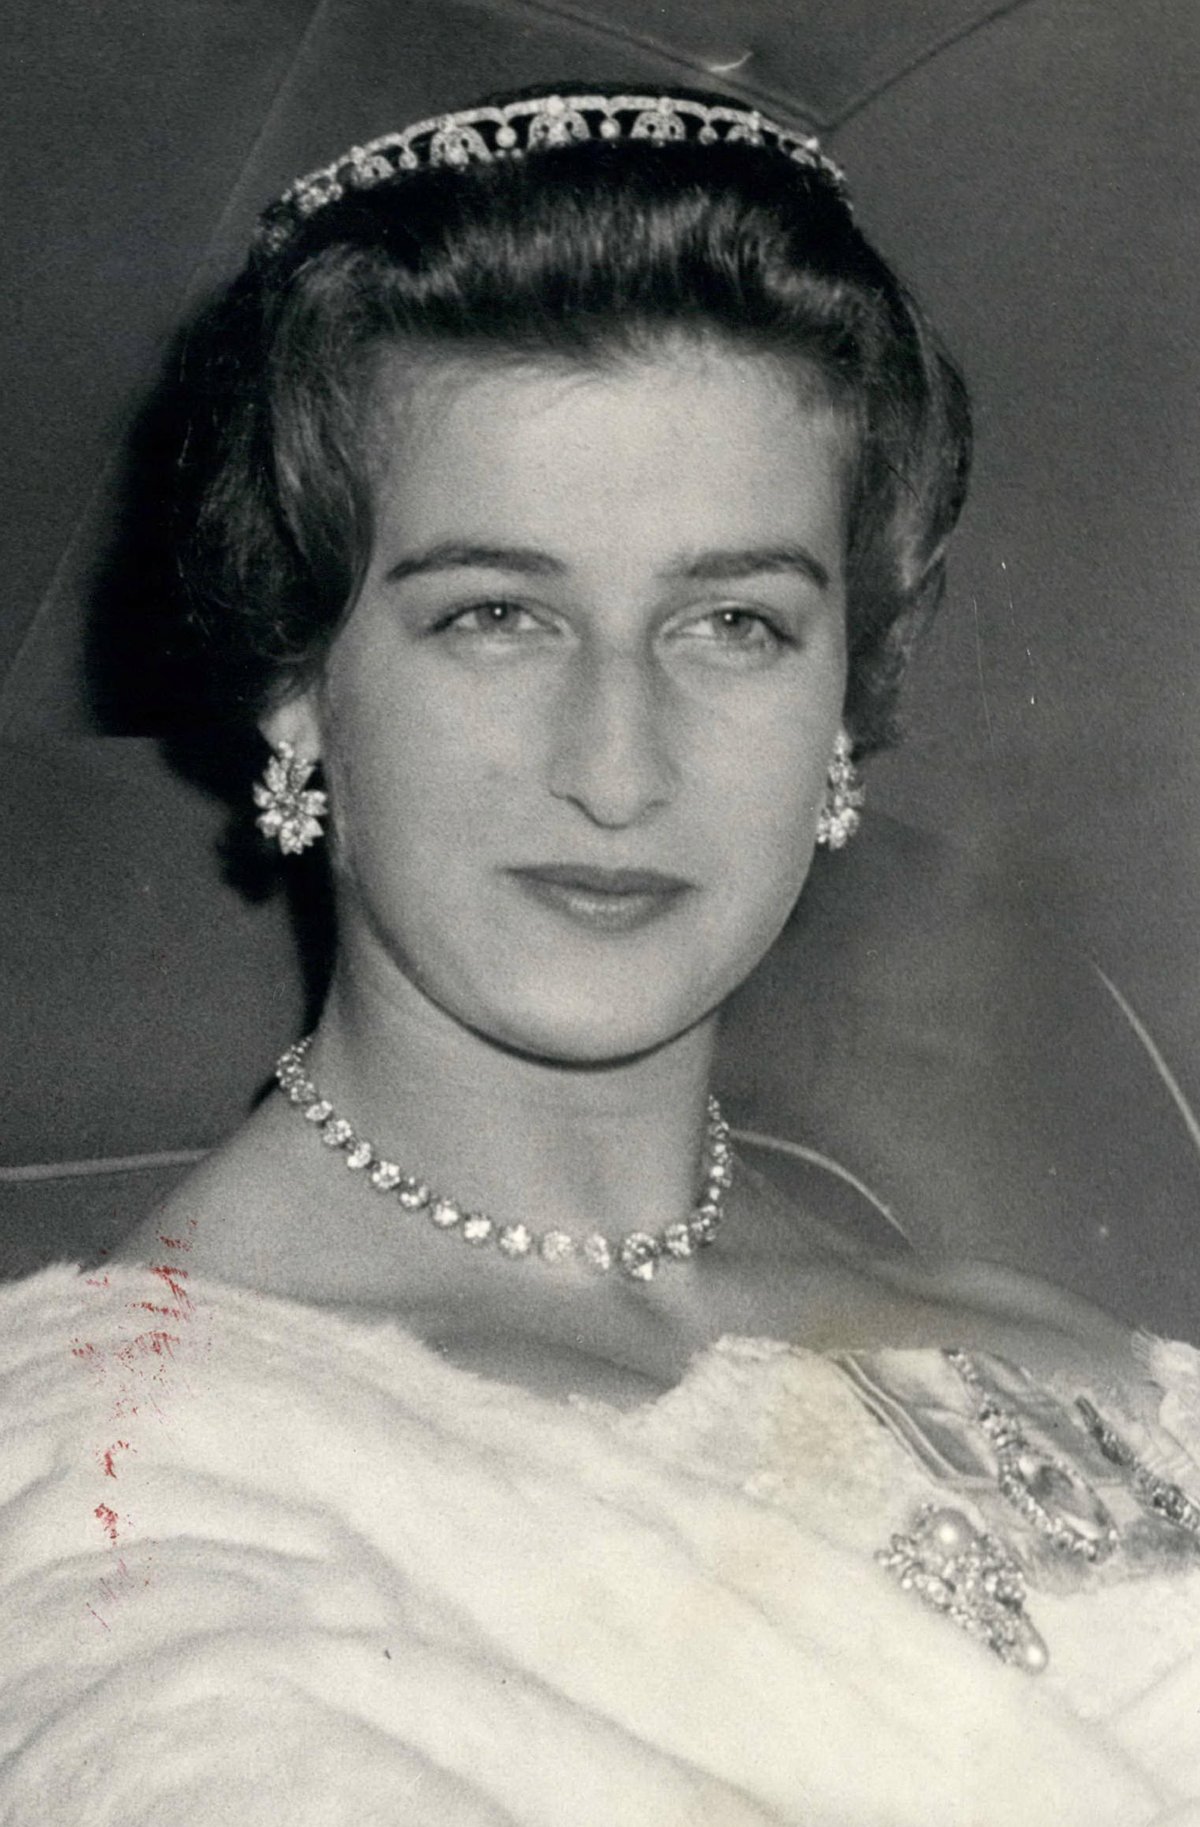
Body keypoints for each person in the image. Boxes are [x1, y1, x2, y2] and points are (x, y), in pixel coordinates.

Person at [2, 85, 1199, 1825]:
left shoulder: (1053, 1338)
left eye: (734, 625)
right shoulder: (126, 1477)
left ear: (843, 699)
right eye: (496, 615)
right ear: (295, 683)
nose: (620, 765)